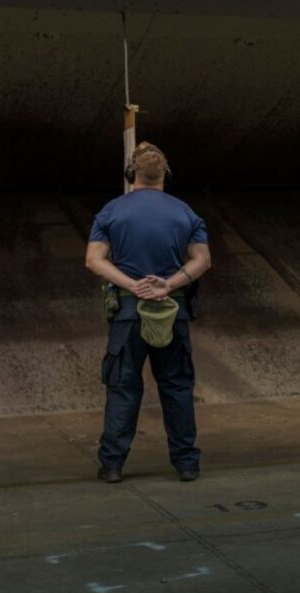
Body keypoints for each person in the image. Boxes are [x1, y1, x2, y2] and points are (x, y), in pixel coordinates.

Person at [85, 142, 212, 482]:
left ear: (132, 173)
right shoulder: (186, 213)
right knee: (177, 386)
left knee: (123, 386)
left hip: (128, 311)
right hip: (172, 310)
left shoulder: (111, 211)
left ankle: (112, 464)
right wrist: (168, 285)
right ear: (165, 175)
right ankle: (186, 463)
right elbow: (202, 260)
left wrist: (133, 284)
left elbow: (94, 260)